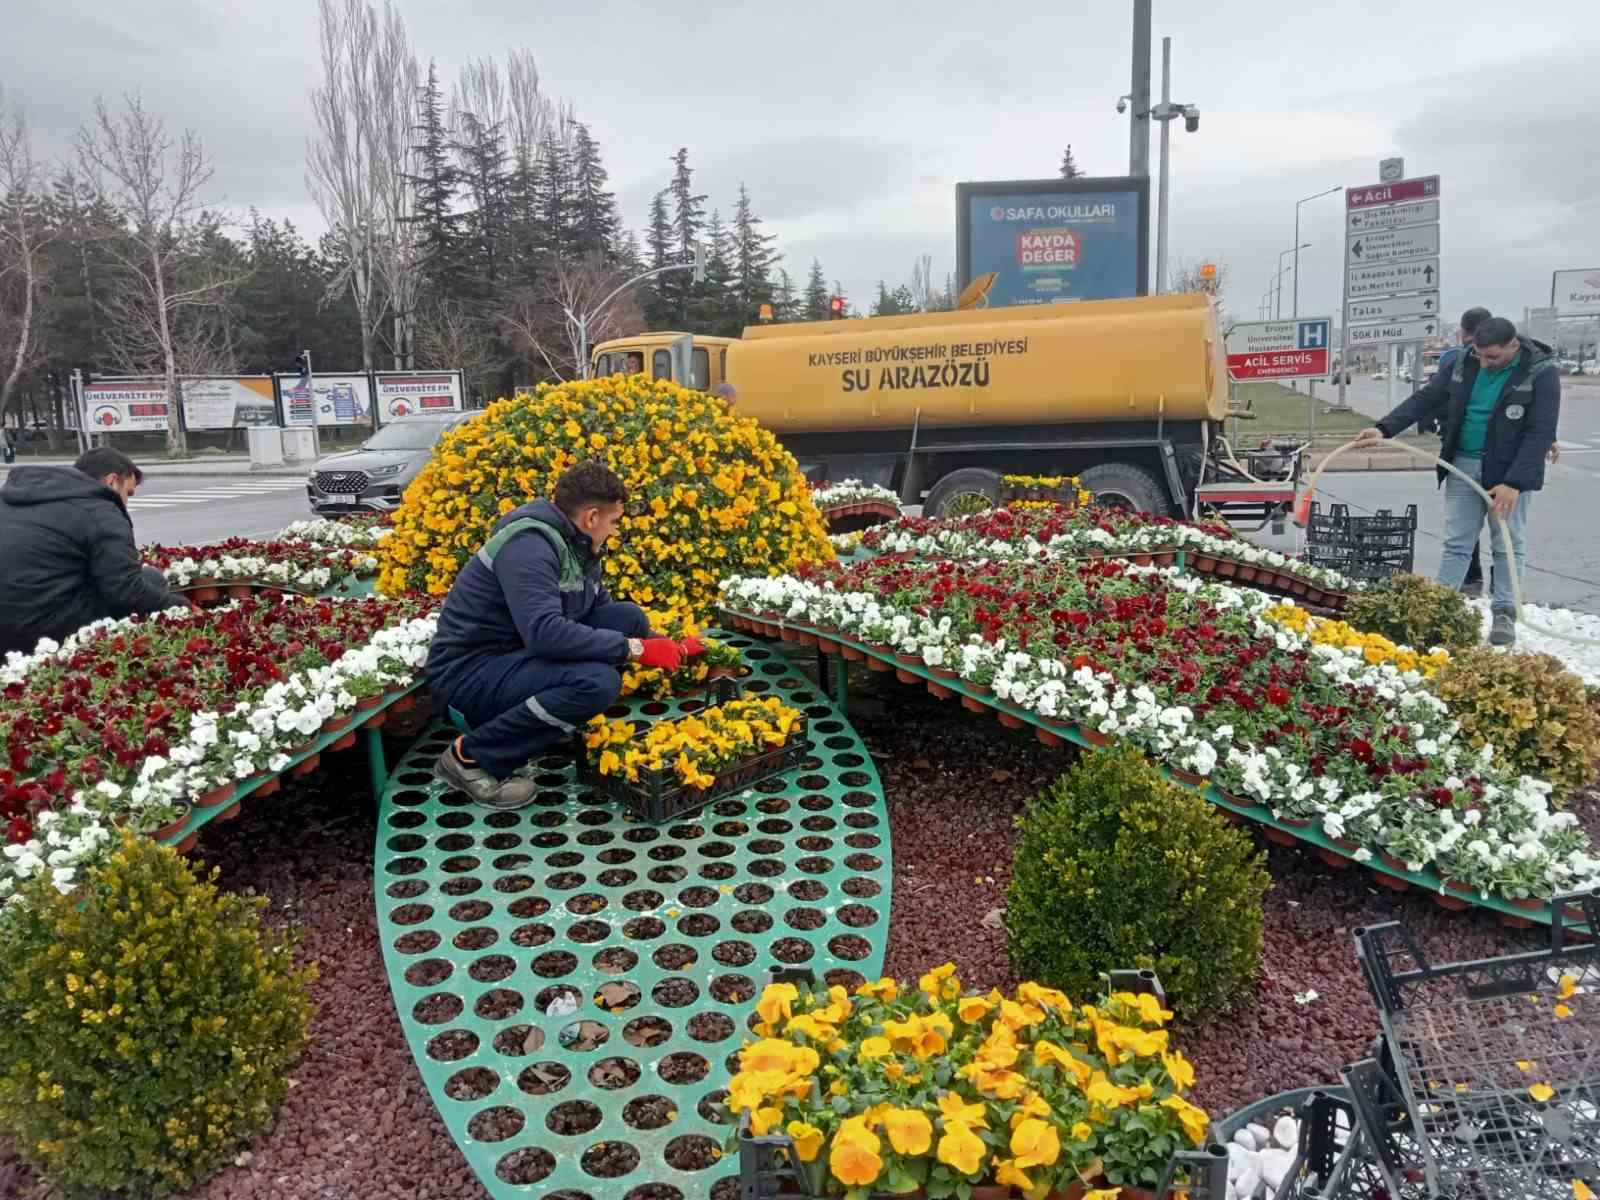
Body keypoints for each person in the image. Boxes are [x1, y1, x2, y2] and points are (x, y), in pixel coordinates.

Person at [424, 460, 704, 809]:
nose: (615, 531)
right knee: (596, 682)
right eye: (614, 522)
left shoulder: (579, 547)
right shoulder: (529, 546)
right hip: (469, 677)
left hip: (514, 659)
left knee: (628, 617)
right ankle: (471, 758)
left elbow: (598, 615)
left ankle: (544, 725)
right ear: (591, 517)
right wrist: (636, 649)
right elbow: (544, 634)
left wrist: (665, 644)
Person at [1354, 316, 1560, 646]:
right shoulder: (1464, 362)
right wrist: (1384, 428)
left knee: (1507, 543)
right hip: (1462, 464)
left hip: (1506, 473)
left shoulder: (1540, 371)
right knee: (1457, 542)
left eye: (1492, 356)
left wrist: (1515, 483)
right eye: (1480, 354)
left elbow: (1541, 430)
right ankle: (1440, 610)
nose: (1485, 362)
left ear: (1513, 346)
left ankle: (1504, 612)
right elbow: (1428, 397)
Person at [0, 447, 188, 657]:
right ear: (112, 481)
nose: (126, 502)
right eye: (128, 492)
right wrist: (185, 609)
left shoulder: (8, 499)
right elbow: (127, 589)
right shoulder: (99, 509)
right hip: (45, 634)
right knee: (151, 580)